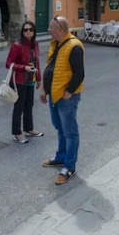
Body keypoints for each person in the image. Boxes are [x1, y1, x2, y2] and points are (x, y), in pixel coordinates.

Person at [40, 16, 84, 185]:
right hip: (54, 94)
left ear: (60, 29)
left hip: (66, 97)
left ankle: (69, 166)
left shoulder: (74, 46)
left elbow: (79, 74)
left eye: (51, 27)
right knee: (60, 127)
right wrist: (44, 89)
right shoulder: (56, 44)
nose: (48, 30)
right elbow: (51, 69)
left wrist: (69, 92)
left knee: (70, 132)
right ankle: (60, 157)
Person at [6, 20, 43, 143]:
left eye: (30, 29)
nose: (28, 32)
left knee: (29, 105)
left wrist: (39, 78)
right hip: (19, 80)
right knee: (19, 106)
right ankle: (17, 133)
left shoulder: (35, 44)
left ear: (34, 32)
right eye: (25, 29)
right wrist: (23, 68)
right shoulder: (17, 45)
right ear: (22, 32)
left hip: (31, 79)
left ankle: (29, 128)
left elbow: (37, 62)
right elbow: (8, 64)